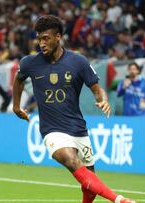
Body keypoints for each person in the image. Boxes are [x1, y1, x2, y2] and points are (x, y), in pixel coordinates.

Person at [13, 15, 135, 203]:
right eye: (39, 38)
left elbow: (96, 89)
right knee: (70, 160)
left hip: (78, 129)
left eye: (46, 38)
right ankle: (119, 200)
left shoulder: (78, 62)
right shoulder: (30, 63)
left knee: (90, 184)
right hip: (51, 131)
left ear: (58, 37)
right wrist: (16, 106)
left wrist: (103, 100)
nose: (41, 43)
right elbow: (18, 80)